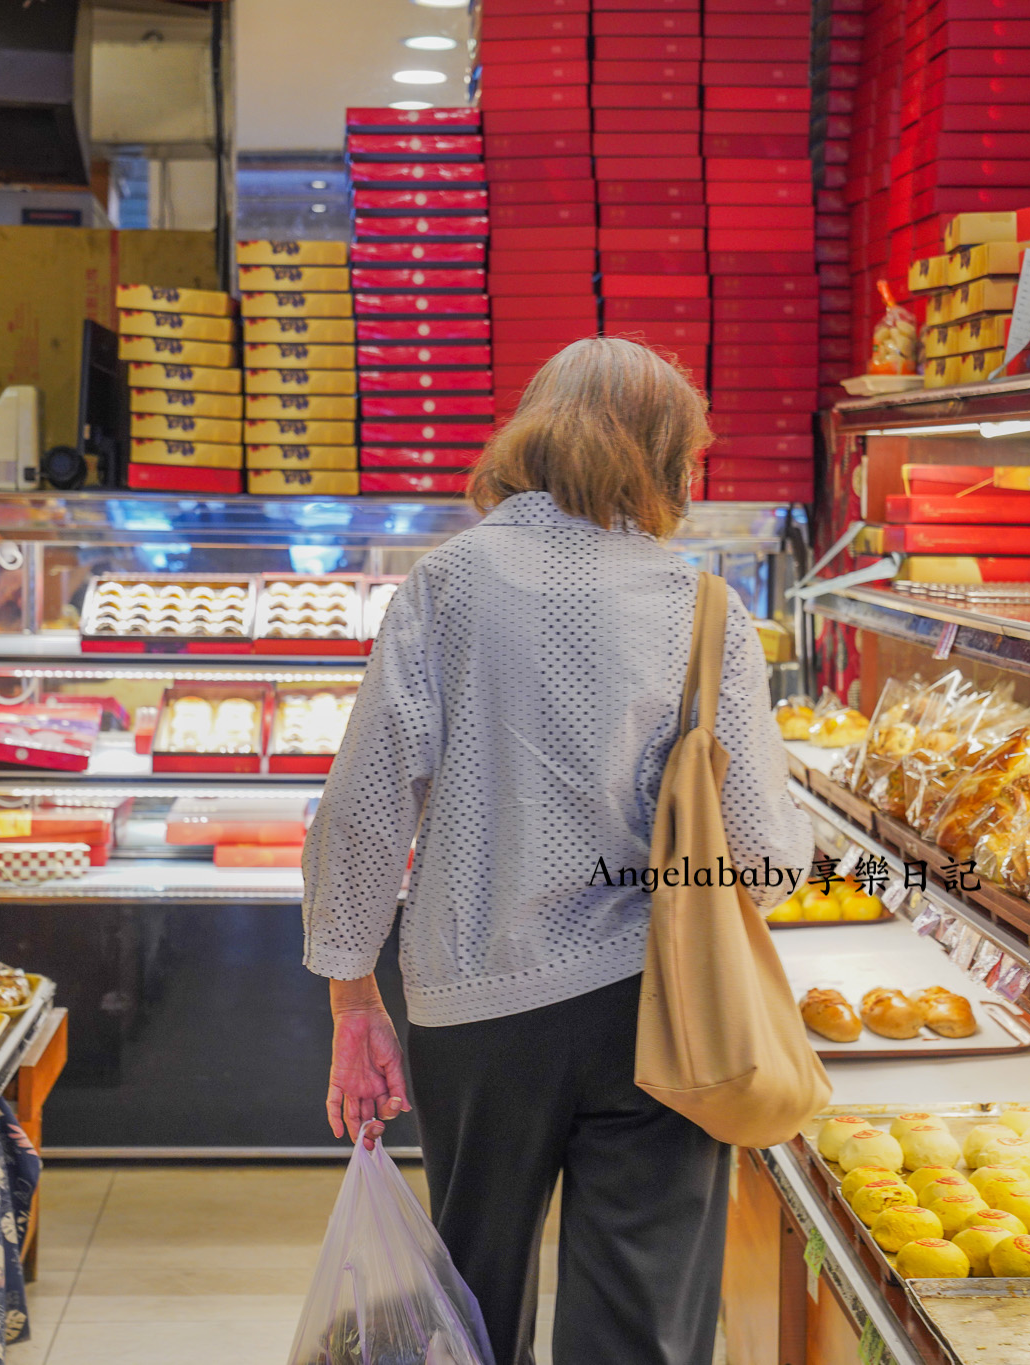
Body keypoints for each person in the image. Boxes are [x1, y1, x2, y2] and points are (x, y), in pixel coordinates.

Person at [301, 337, 812, 1365]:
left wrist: (351, 997)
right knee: (637, 1318)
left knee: (473, 1295)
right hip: (658, 1008)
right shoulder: (701, 607)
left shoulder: (444, 584)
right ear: (669, 458)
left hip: (473, 1005)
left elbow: (360, 808)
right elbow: (759, 858)